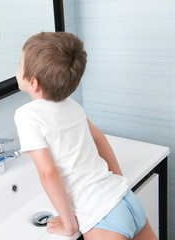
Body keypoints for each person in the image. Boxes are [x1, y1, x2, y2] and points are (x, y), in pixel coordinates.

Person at [14, 32, 157, 240]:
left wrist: (69, 223)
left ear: (33, 83)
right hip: (125, 199)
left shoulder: (27, 115)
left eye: (19, 65)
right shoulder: (71, 104)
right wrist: (118, 178)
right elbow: (99, 139)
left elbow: (47, 172)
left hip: (100, 216)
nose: (17, 70)